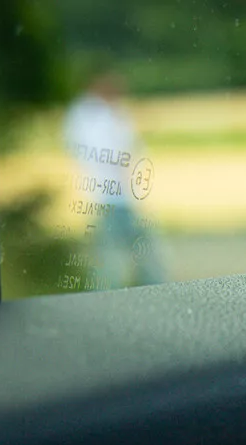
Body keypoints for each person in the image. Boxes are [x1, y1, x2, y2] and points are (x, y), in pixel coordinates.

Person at [62, 72, 165, 290]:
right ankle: (112, 294)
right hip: (105, 195)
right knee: (112, 256)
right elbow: (110, 151)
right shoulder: (88, 114)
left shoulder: (109, 111)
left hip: (122, 195)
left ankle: (150, 289)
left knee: (137, 251)